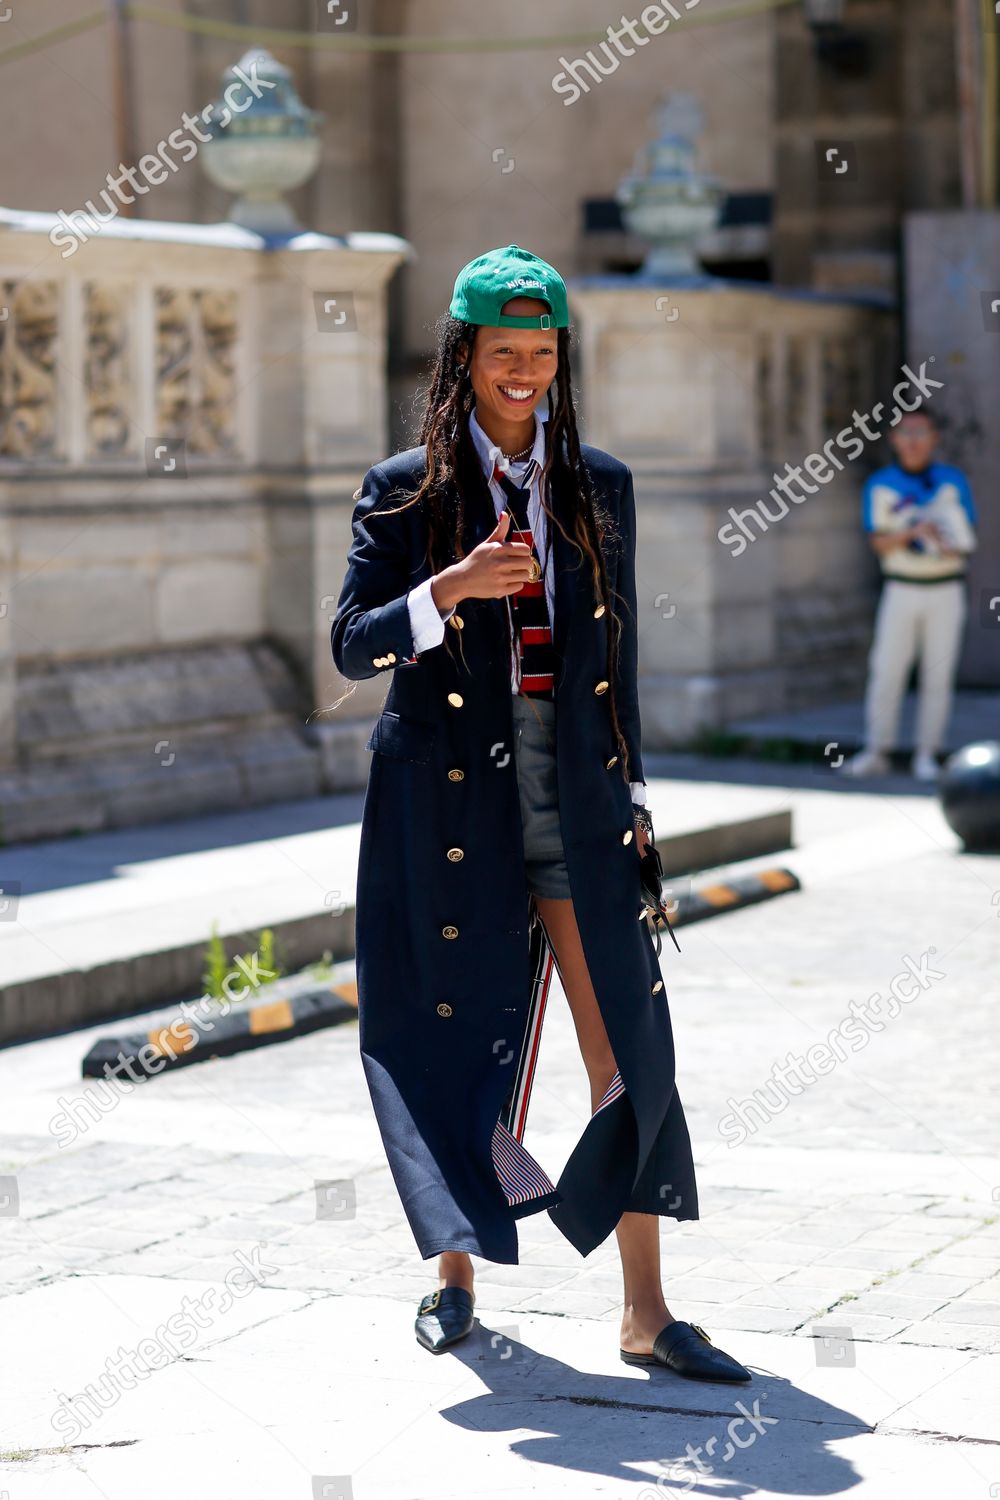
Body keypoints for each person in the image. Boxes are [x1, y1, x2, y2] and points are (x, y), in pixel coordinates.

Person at [330, 244, 750, 1383]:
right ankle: (454, 1279)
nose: (523, 373)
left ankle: (646, 1313)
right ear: (461, 361)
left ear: (560, 361)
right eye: (502, 353)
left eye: (540, 353)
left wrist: (640, 801)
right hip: (441, 791)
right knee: (444, 1029)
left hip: (574, 784)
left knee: (626, 1034)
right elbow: (349, 643)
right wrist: (445, 591)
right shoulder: (402, 489)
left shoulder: (597, 485)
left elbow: (619, 657)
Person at [841, 407, 977, 781]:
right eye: (907, 433)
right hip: (901, 589)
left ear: (934, 439)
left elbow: (967, 540)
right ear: (894, 439)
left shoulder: (952, 481)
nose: (914, 441)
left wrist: (945, 541)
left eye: (922, 433)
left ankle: (927, 754)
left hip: (945, 589)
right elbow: (880, 542)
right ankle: (877, 749)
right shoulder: (881, 484)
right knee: (887, 671)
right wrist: (913, 533)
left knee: (938, 675)